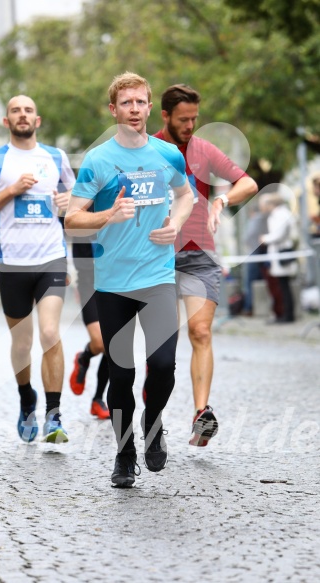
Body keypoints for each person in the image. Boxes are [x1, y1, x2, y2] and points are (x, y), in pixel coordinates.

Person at [65, 72, 194, 488]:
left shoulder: (168, 155)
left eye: (140, 102)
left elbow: (187, 194)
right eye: (126, 103)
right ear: (113, 110)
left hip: (158, 278)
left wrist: (175, 223)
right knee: (121, 374)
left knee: (162, 365)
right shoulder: (100, 160)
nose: (134, 109)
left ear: (149, 107)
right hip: (114, 283)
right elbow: (72, 220)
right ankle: (124, 455)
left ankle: (153, 424)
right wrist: (107, 215)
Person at [154, 84, 258, 446]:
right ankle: (153, 420)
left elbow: (249, 182)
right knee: (162, 346)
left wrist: (223, 199)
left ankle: (202, 414)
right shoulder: (148, 149)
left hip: (200, 254)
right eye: (184, 119)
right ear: (165, 115)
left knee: (200, 331)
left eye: (195, 118)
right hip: (158, 258)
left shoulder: (203, 150)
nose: (190, 125)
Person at [0, 95, 76, 444]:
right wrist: (12, 190)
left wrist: (67, 204)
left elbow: (77, 204)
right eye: (16, 110)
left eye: (28, 110)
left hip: (51, 259)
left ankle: (54, 413)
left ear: (38, 119)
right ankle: (26, 397)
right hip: (13, 264)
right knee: (21, 343)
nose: (22, 115)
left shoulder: (56, 157)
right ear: (7, 121)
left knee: (49, 333)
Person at [69, 239, 110, 419]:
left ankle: (98, 399)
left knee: (112, 344)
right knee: (100, 342)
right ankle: (84, 358)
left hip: (117, 280)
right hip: (88, 282)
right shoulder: (81, 210)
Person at [259, 193, 299, 323]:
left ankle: (287, 315)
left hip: (281, 252)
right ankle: (286, 314)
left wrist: (265, 238)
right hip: (278, 252)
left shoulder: (281, 215)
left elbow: (278, 234)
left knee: (284, 285)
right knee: (283, 285)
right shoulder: (280, 214)